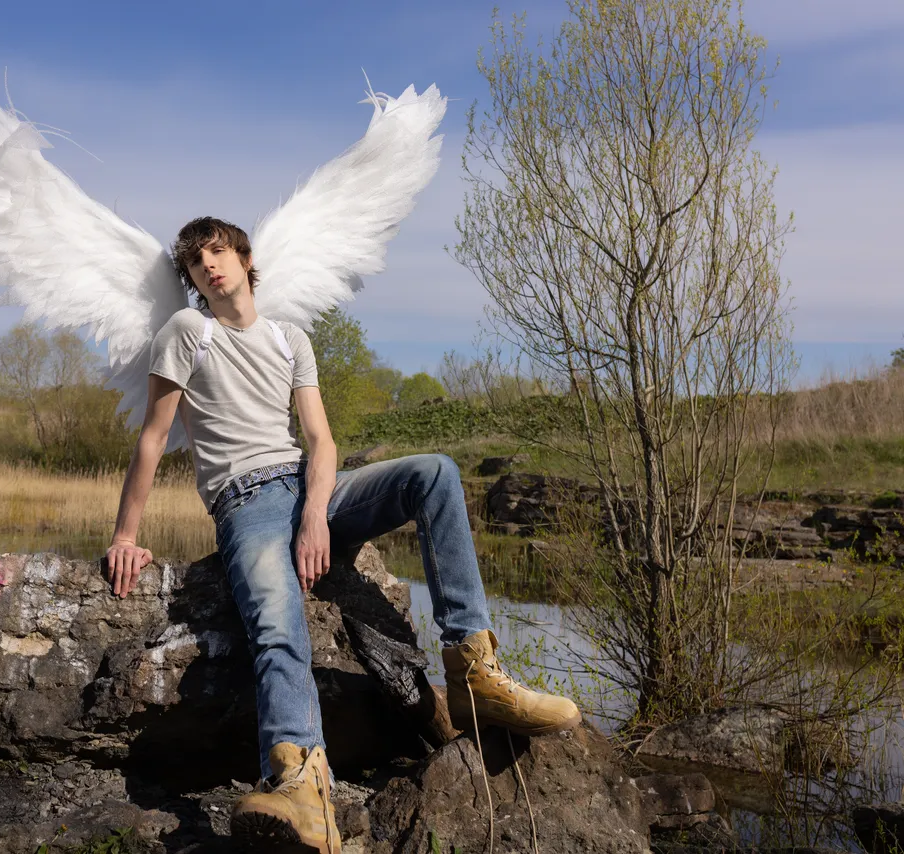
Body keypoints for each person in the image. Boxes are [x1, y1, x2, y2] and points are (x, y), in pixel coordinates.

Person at [105, 216, 581, 854]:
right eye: (195, 263)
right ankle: (303, 782)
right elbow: (153, 438)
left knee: (434, 473)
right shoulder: (190, 333)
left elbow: (321, 441)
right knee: (276, 618)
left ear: (245, 259)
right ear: (190, 280)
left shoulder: (290, 337)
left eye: (218, 252)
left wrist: (313, 515)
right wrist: (124, 534)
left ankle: (474, 674)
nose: (209, 267)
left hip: (310, 486)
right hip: (245, 499)